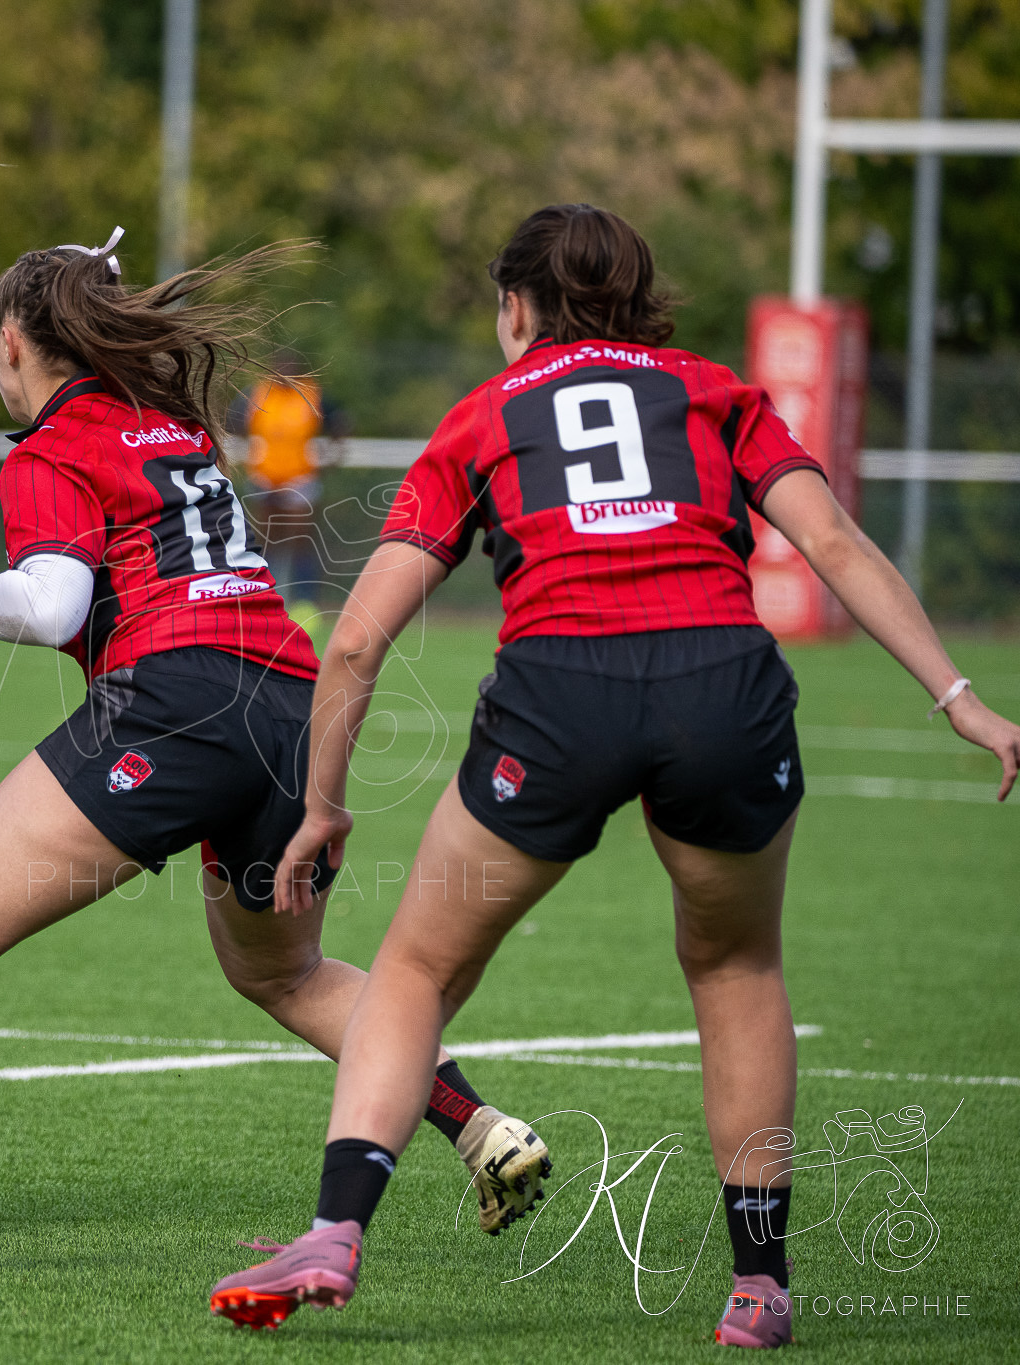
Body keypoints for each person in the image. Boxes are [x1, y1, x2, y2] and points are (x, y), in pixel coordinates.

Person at [207, 204, 1020, 1343]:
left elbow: (353, 640)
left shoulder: (483, 415)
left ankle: (336, 1229)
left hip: (560, 698)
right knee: (734, 965)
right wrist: (959, 697)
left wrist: (322, 803)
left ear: (516, 307)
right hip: (720, 687)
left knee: (416, 969)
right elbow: (833, 543)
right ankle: (757, 1285)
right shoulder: (711, 389)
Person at [0, 232, 550, 1275]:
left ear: (8, 343)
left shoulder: (50, 446)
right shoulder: (167, 428)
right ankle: (482, 1129)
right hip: (285, 710)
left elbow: (48, 608)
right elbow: (102, 573)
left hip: (175, 701)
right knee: (284, 971)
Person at [228, 350, 346, 607]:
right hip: (264, 479)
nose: (284, 371)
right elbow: (233, 421)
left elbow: (341, 422)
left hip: (300, 479)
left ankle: (304, 602)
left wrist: (333, 456)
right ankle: (261, 596)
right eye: (280, 366)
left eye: (290, 367)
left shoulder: (311, 394)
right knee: (264, 541)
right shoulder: (257, 393)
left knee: (301, 541)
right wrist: (245, 453)